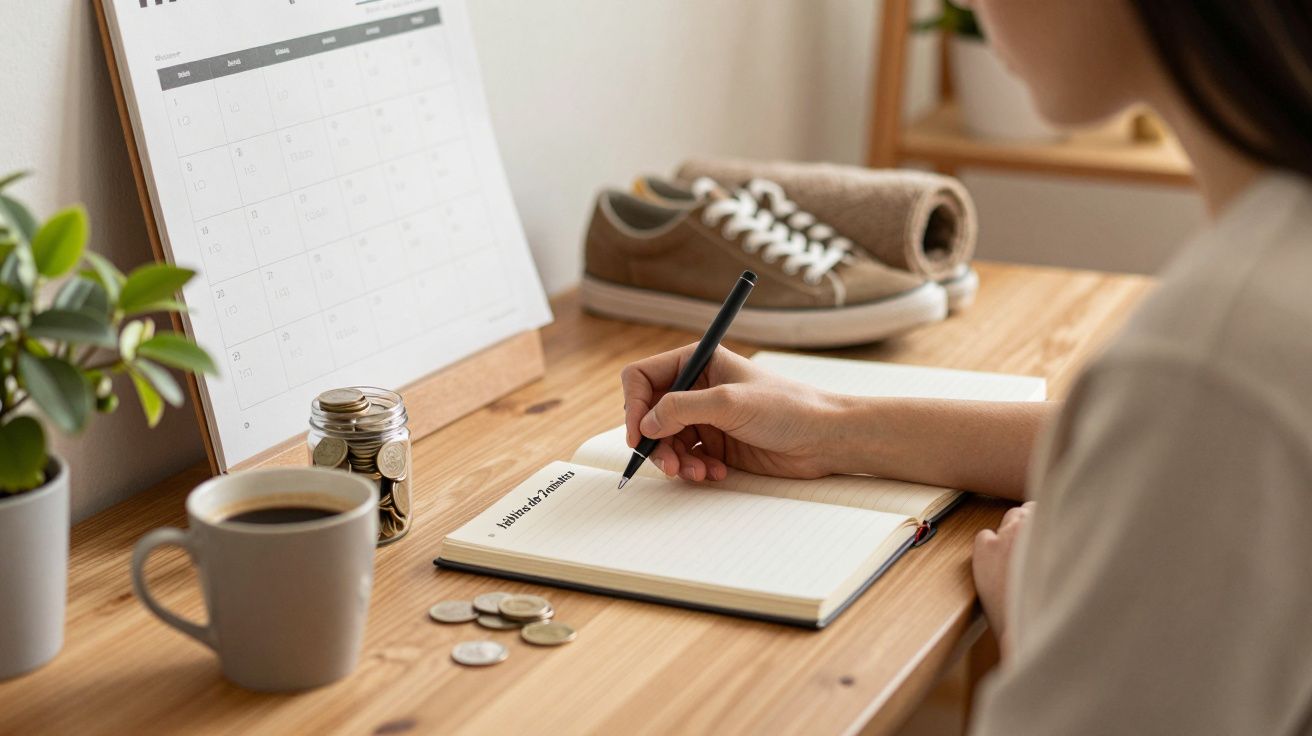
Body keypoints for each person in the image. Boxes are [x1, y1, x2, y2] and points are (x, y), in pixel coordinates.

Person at [619, 1, 1312, 732]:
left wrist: (1032, 627)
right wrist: (826, 425)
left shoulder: (1214, 356)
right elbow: (1171, 448)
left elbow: (1194, 419)